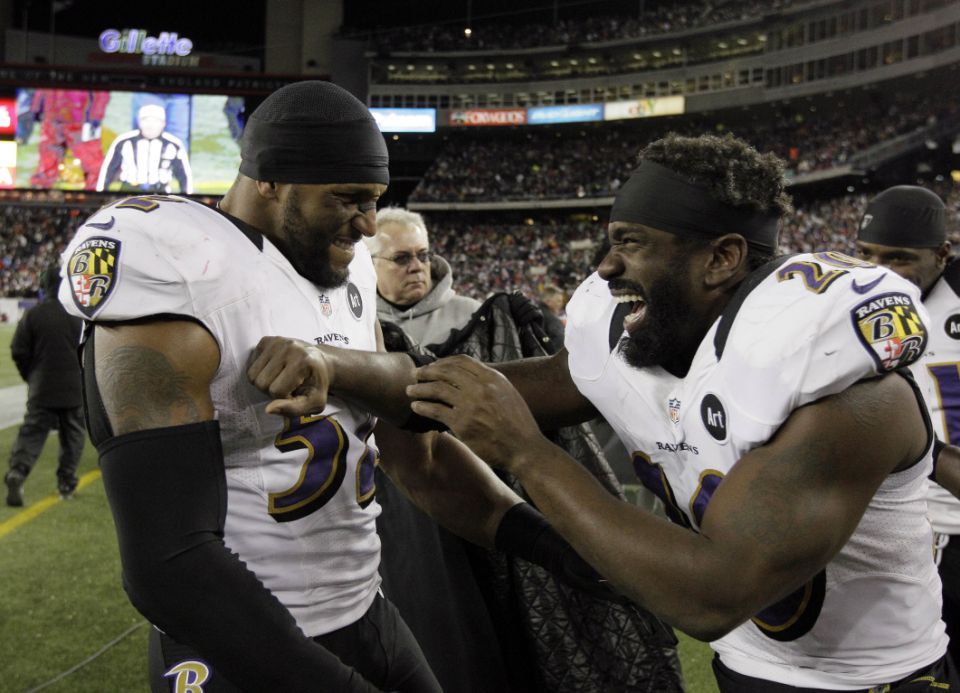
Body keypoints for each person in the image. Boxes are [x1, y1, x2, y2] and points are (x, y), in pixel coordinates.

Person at [266, 134, 955, 691]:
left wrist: (526, 452)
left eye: (631, 243)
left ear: (721, 258)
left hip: (878, 681)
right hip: (747, 672)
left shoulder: (851, 394)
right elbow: (442, 394)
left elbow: (713, 595)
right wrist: (330, 365)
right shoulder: (636, 344)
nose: (602, 268)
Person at [59, 80, 596, 693]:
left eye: (374, 200)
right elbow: (167, 566)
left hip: (366, 611)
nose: (368, 224)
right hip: (239, 645)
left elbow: (413, 458)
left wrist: (562, 551)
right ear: (269, 179)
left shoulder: (349, 267)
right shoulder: (179, 269)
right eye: (347, 199)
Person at [854, 185, 960, 666]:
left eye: (898, 258)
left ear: (942, 254)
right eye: (866, 255)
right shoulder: (850, 307)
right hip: (907, 532)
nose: (878, 272)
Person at [5, 265, 84, 507]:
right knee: (72, 437)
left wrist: (32, 376)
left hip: (41, 388)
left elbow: (18, 350)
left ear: (44, 286)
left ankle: (18, 471)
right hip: (73, 389)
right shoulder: (79, 316)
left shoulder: (33, 315)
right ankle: (66, 482)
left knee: (31, 433)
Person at [369, 206, 481, 348]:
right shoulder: (356, 322)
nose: (417, 266)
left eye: (423, 255)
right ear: (370, 264)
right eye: (401, 258)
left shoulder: (471, 315)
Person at [95, 103, 193, 194]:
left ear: (163, 123)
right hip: (129, 191)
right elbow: (108, 170)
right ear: (139, 122)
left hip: (161, 193)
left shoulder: (174, 144)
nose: (150, 125)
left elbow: (184, 175)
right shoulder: (123, 141)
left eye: (156, 121)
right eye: (146, 120)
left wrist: (189, 199)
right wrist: (100, 195)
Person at [25, 89, 109, 189]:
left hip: (80, 118)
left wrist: (95, 117)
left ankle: (97, 189)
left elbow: (101, 92)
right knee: (48, 155)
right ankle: (40, 187)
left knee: (91, 158)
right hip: (53, 115)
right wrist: (36, 107)